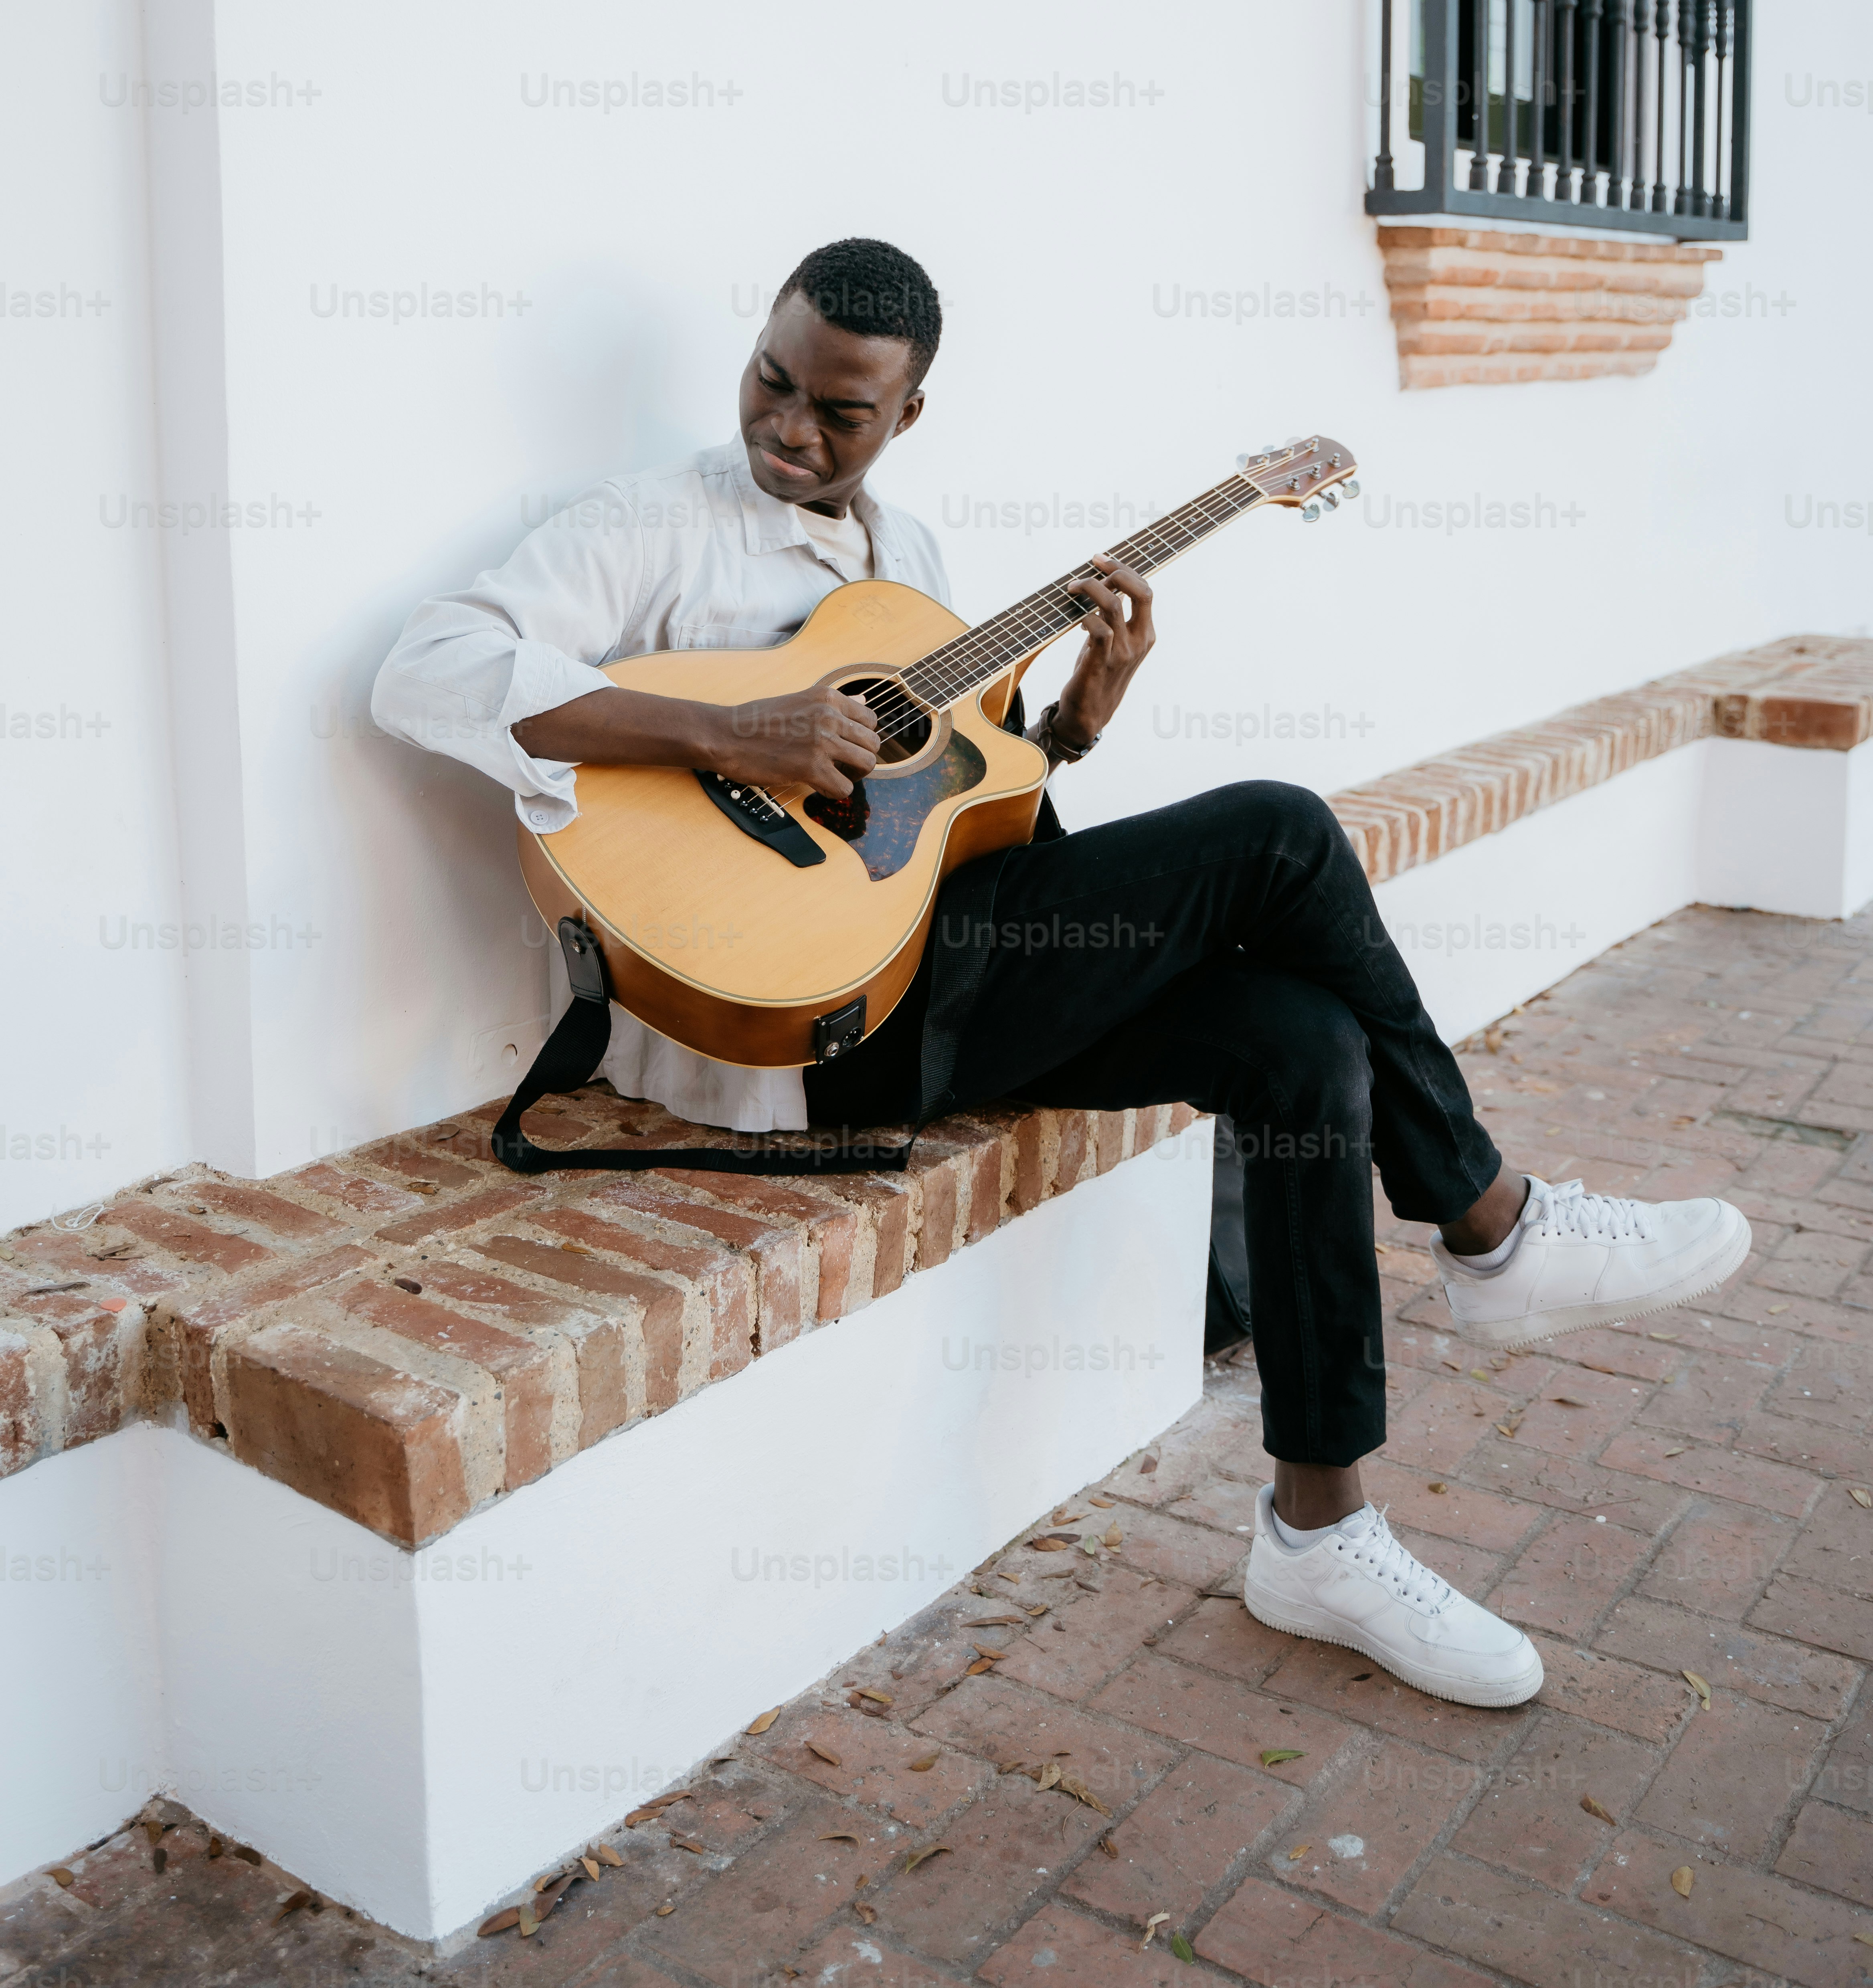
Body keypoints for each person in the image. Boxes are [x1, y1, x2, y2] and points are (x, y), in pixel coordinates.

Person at [373, 234, 1751, 1710]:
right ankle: (1492, 1227)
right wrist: (731, 732)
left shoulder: (917, 576)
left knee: (1301, 1047)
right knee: (1281, 833)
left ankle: (1318, 1528)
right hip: (802, 1027)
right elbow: (429, 668)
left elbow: (948, 818)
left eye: (839, 412)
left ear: (908, 418)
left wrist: (1076, 726)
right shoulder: (653, 529)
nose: (788, 426)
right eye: (773, 381)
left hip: (943, 971)